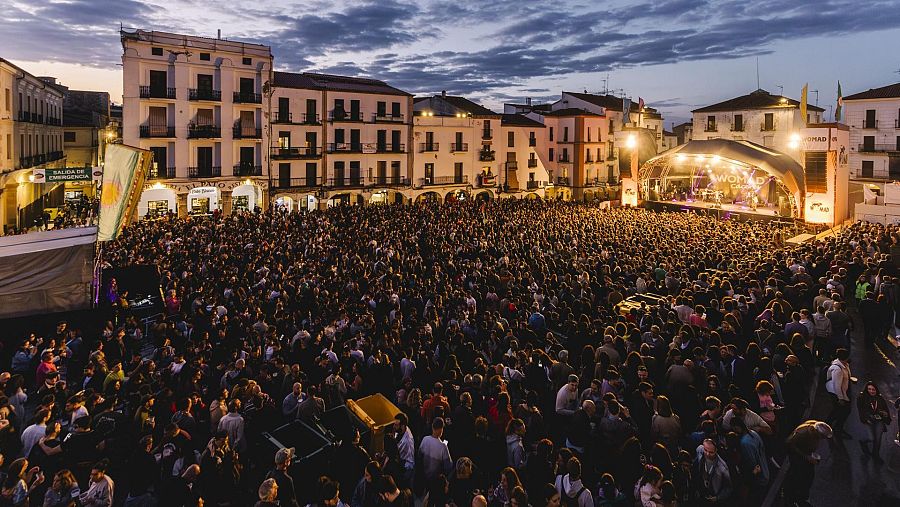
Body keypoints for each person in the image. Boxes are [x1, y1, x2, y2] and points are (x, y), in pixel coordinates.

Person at [784, 420, 832, 506]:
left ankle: (802, 496)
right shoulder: (802, 433)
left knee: (809, 476)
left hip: (806, 454)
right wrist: (806, 457)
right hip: (797, 456)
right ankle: (789, 498)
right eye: (822, 437)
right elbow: (789, 443)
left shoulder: (814, 428)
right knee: (795, 475)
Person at [857, 381, 891, 463]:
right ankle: (863, 443)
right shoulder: (861, 398)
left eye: (873, 389)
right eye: (869, 389)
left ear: (876, 390)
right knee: (871, 438)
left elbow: (886, 410)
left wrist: (885, 415)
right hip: (869, 420)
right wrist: (865, 419)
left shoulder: (880, 399)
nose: (871, 391)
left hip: (879, 421)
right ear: (866, 389)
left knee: (878, 439)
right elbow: (861, 411)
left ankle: (876, 455)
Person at [693, 439, 731, 506]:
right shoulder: (700, 450)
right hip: (701, 495)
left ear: (716, 451)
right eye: (705, 450)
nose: (707, 454)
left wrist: (717, 498)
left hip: (714, 500)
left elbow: (728, 488)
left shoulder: (722, 467)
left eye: (711, 452)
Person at [824, 348, 852, 439]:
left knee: (838, 411)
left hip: (841, 391)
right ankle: (837, 429)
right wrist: (841, 398)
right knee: (844, 411)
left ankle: (828, 425)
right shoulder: (838, 369)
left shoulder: (843, 364)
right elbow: (837, 385)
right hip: (836, 393)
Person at [419, 417, 453, 484]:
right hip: (436, 480)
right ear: (441, 430)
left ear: (432, 427)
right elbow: (448, 466)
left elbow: (419, 455)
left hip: (424, 476)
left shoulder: (425, 439)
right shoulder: (443, 446)